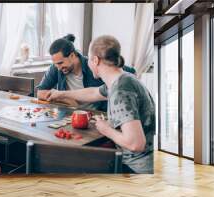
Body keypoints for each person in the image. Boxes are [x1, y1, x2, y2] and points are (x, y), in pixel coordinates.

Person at [47, 35, 155, 174]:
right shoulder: (124, 79)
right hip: (141, 160)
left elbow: (136, 144)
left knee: (68, 164)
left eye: (89, 60)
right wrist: (61, 94)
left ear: (95, 60)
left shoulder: (120, 91)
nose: (88, 63)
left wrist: (106, 129)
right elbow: (93, 93)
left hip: (136, 168)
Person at [37, 34, 136, 111]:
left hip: (97, 115)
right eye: (55, 64)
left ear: (72, 55)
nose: (58, 68)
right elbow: (40, 92)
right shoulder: (56, 68)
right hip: (71, 114)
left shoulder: (95, 66)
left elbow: (131, 73)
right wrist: (67, 99)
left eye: (60, 63)